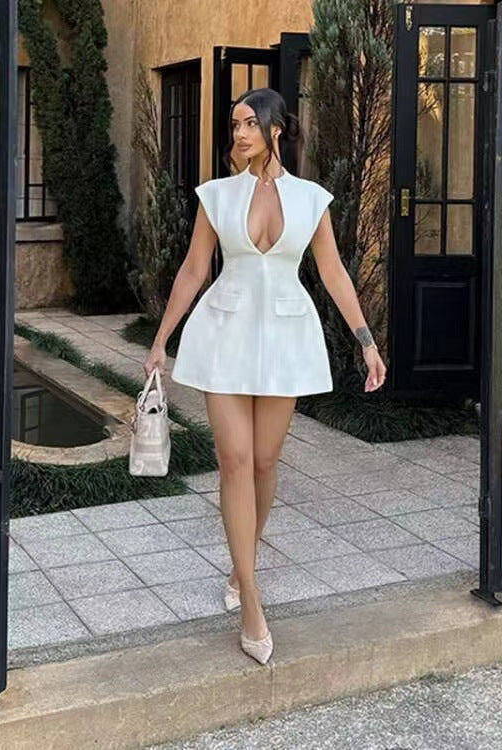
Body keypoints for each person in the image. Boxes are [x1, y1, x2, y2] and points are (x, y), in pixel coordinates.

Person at [143, 87, 386, 665]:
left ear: (276, 128)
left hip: (285, 340)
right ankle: (251, 599)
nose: (240, 134)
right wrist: (160, 340)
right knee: (233, 460)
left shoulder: (311, 198)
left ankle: (241, 565)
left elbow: (333, 271)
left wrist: (367, 343)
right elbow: (194, 270)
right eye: (235, 126)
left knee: (265, 463)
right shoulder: (216, 195)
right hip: (223, 335)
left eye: (250, 123)